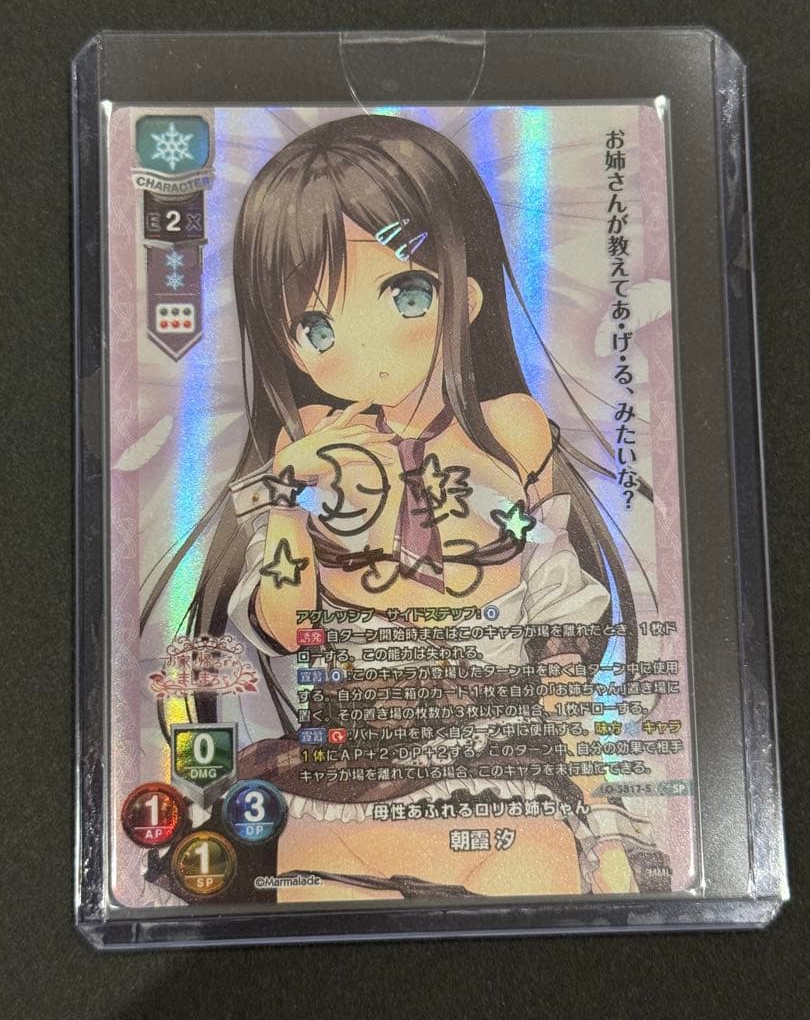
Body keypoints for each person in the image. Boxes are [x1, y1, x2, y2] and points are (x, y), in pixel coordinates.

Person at [145, 113, 669, 901]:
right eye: (315, 325)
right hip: (341, 783)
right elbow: (282, 626)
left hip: (507, 784)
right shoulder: (310, 451)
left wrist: (604, 813)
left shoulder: (509, 441)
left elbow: (558, 642)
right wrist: (287, 496)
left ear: (466, 294)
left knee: (532, 881)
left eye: (405, 293)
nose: (365, 349)